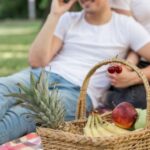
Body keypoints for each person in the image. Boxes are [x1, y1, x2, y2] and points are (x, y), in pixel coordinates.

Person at [1, 0, 150, 144]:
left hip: (78, 92)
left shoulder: (126, 25)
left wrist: (135, 77)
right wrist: (54, 14)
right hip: (44, 74)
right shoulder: (68, 19)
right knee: (3, 87)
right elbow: (36, 61)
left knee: (23, 114)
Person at [102, 0, 150, 109]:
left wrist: (136, 78)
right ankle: (106, 96)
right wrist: (129, 66)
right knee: (135, 102)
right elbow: (129, 37)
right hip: (141, 59)